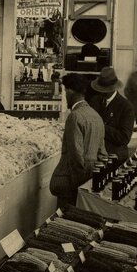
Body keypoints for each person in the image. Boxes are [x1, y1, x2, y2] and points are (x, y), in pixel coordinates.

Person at [48, 73, 105, 209]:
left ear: (70, 92)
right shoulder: (96, 116)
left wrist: (77, 187)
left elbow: (75, 156)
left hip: (72, 185)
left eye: (65, 92)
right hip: (90, 181)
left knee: (63, 220)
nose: (65, 97)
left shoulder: (75, 117)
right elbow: (103, 154)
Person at [88, 66, 134, 161]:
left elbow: (124, 138)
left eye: (104, 90)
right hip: (94, 156)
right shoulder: (94, 101)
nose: (101, 92)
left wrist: (101, 126)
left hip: (115, 157)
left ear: (113, 88)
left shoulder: (126, 107)